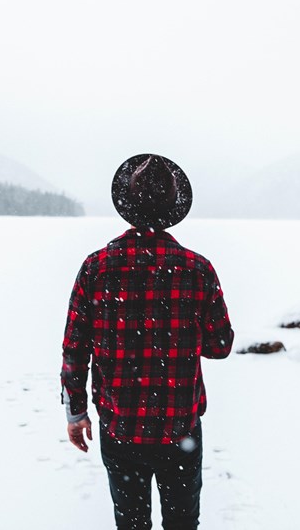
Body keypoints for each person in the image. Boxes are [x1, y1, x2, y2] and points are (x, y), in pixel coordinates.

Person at [60, 154, 234, 530]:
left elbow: (75, 349)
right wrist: (183, 330)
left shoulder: (96, 267)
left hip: (120, 429)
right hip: (179, 430)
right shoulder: (197, 269)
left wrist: (75, 413)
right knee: (183, 523)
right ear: (172, 207)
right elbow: (221, 346)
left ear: (128, 205)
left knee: (131, 524)